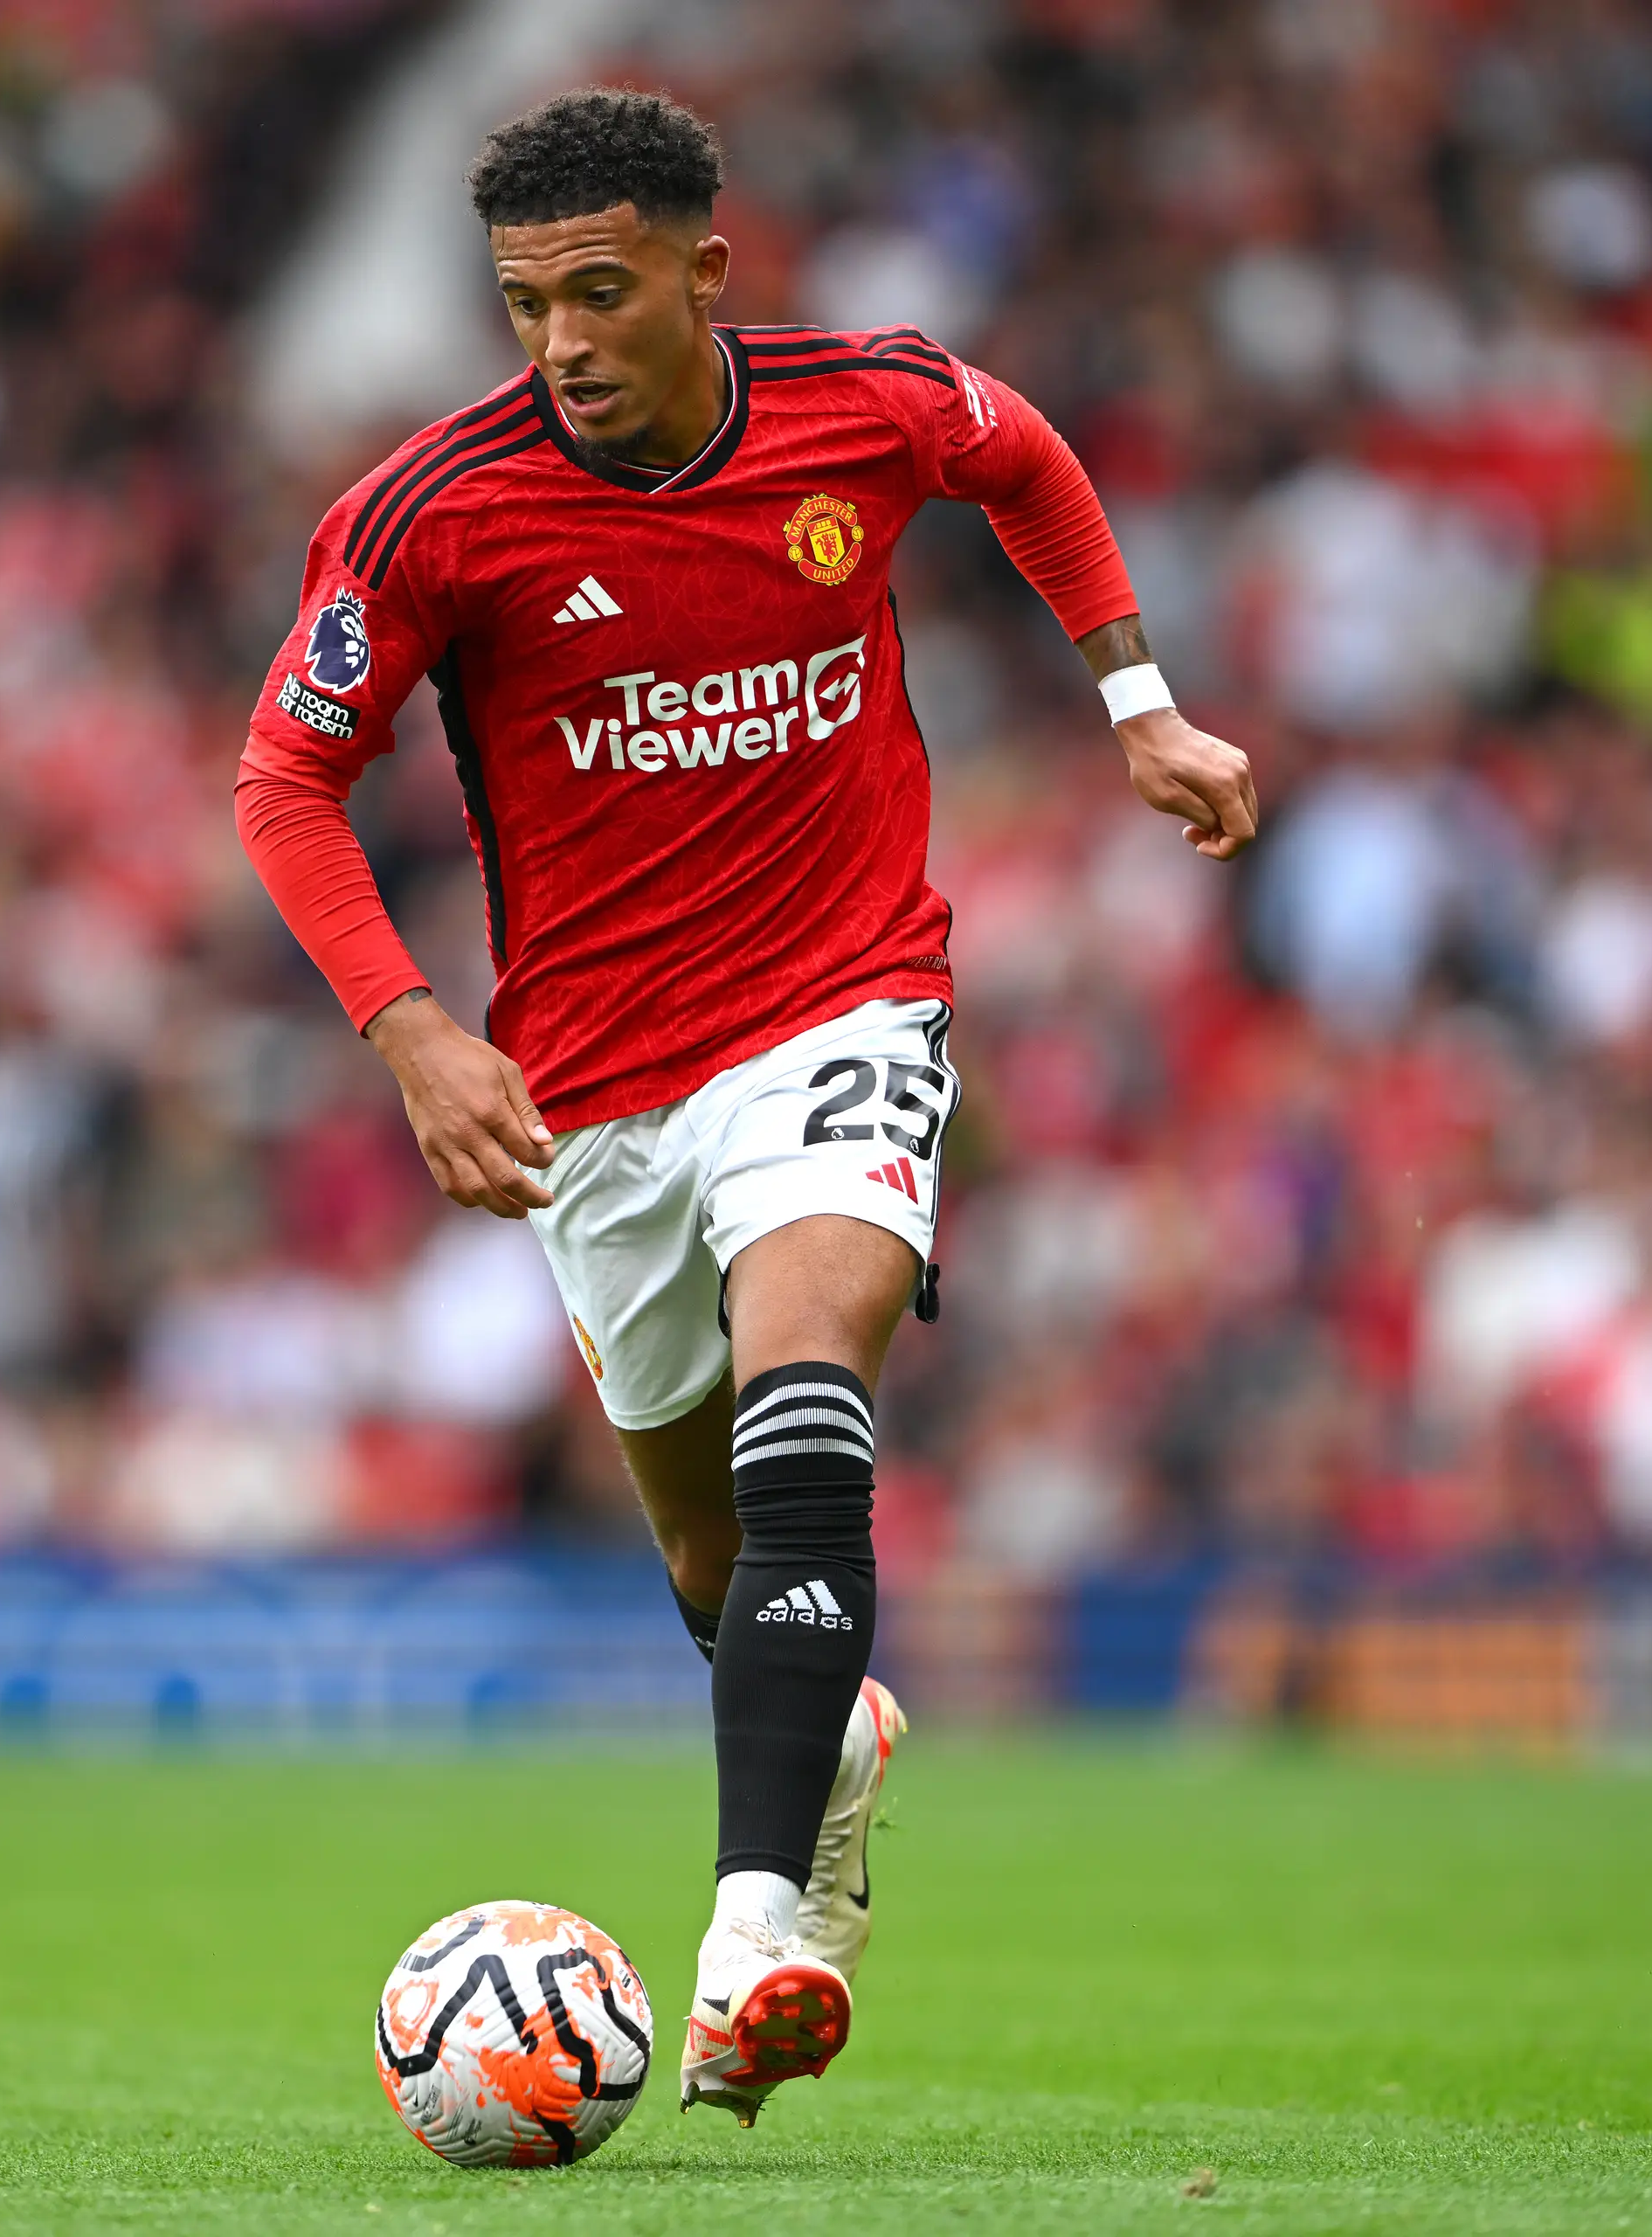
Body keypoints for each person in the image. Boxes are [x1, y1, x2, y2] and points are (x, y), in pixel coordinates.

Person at [234, 87, 1256, 2124]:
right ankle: (834, 1746)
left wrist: (1137, 699)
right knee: (718, 1564)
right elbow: (285, 784)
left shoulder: (865, 406)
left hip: (846, 996)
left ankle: (748, 1941)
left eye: (600, 292)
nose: (561, 341)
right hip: (597, 1088)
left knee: (816, 1369)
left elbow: (1027, 454)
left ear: (709, 267)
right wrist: (418, 1030)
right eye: (525, 303)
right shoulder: (434, 511)